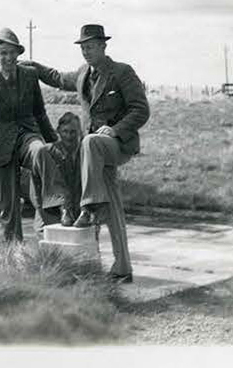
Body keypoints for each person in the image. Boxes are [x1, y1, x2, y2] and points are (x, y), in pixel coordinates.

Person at [30, 24, 150, 283]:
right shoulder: (84, 73)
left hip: (114, 144)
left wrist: (116, 129)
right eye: (83, 47)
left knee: (90, 142)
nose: (86, 51)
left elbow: (141, 110)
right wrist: (31, 66)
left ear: (104, 46)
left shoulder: (122, 72)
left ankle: (88, 207)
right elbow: (57, 77)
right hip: (92, 157)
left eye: (91, 46)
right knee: (113, 205)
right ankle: (120, 268)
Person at [0, 28, 70, 242]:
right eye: (3, 53)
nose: (8, 58)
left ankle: (57, 202)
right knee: (8, 205)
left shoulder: (29, 76)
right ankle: (14, 250)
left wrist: (53, 140)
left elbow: (39, 111)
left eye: (12, 53)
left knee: (41, 151)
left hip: (27, 135)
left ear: (18, 54)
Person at [27, 111, 84, 233]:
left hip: (79, 215)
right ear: (58, 132)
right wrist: (46, 217)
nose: (69, 136)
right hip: (49, 214)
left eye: (73, 132)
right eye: (65, 132)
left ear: (80, 132)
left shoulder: (85, 153)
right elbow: (35, 190)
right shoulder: (47, 153)